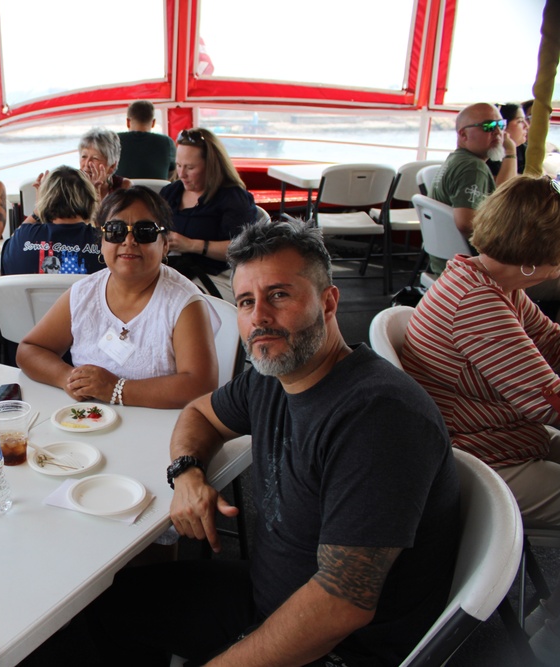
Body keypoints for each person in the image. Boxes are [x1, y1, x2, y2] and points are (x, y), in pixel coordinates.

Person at [31, 219, 460, 666]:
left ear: (329, 302)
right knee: (104, 609)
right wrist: (187, 473)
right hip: (266, 596)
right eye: (246, 302)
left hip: (341, 649)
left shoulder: (377, 418)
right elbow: (199, 414)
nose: (259, 318)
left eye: (279, 295)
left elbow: (341, 604)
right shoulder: (275, 377)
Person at [400, 175, 560, 664]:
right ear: (536, 262)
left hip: (498, 434)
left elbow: (550, 341)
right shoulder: (478, 305)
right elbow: (548, 403)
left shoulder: (485, 278)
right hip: (478, 460)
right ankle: (553, 634)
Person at [16, 186, 218, 409]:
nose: (129, 240)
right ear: (102, 242)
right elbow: (29, 349)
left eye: (145, 231)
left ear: (165, 246)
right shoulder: (84, 293)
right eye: (116, 230)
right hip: (90, 424)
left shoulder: (184, 304)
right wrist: (67, 377)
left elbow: (201, 385)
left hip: (161, 430)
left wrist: (115, 389)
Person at [160, 127, 256, 300]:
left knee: (169, 300)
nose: (181, 174)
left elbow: (243, 249)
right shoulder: (171, 193)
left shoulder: (233, 198)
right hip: (174, 271)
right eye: (179, 165)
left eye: (190, 168)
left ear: (211, 166)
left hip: (217, 276)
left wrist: (191, 245)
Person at [428, 102, 514, 275]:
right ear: (463, 134)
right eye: (488, 126)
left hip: (445, 263)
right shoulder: (473, 168)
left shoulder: (457, 159)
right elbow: (467, 223)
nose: (497, 132)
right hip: (471, 271)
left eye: (500, 125)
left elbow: (498, 194)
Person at [0, 166, 102, 276]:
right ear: (90, 200)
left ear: (44, 201)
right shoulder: (102, 242)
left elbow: (14, 240)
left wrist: (38, 209)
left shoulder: (23, 237)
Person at [115, 100, 176, 180]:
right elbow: (173, 171)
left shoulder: (115, 141)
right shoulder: (167, 143)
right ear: (153, 122)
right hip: (156, 192)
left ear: (128, 122)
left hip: (120, 192)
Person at [78, 127, 132, 201]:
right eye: (84, 157)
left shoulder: (123, 187)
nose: (87, 164)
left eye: (95, 158)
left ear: (112, 166)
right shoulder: (71, 186)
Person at [487, 103, 528, 177]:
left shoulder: (523, 150)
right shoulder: (488, 155)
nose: (526, 126)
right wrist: (510, 152)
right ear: (502, 126)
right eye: (520, 121)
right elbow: (503, 185)